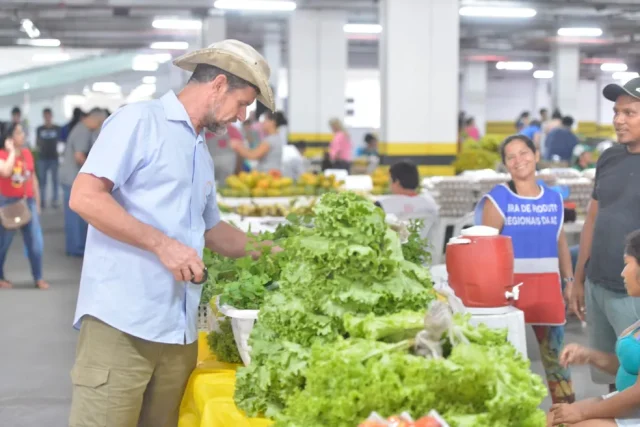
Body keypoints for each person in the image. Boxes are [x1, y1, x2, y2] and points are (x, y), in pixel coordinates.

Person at [68, 39, 277, 427]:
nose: (242, 116)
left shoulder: (199, 148)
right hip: (122, 327)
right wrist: (162, 245)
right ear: (217, 85)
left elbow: (213, 230)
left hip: (178, 336)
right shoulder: (139, 122)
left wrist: (277, 251)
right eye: (243, 102)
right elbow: (84, 198)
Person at [475, 135, 575, 404]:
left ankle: (566, 418)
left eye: (523, 153)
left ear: (536, 154)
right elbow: (485, 251)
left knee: (557, 362)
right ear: (506, 164)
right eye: (511, 156)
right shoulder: (498, 200)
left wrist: (569, 281)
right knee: (508, 363)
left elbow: (560, 241)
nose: (519, 160)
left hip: (548, 294)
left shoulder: (554, 199)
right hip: (508, 296)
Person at [571, 76, 640, 391]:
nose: (618, 120)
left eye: (629, 113)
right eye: (616, 112)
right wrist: (578, 278)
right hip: (598, 284)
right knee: (611, 374)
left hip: (631, 292)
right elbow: (592, 220)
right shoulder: (609, 158)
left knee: (635, 373)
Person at [549, 230, 640, 426]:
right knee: (552, 419)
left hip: (635, 408)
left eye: (627, 265)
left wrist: (582, 412)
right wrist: (589, 356)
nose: (622, 273)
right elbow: (632, 367)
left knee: (572, 423)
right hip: (630, 406)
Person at [0, 123, 48, 290]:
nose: (23, 136)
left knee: (36, 241)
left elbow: (32, 177)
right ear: (9, 137)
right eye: (19, 132)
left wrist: (38, 202)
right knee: (3, 244)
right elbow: (5, 172)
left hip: (28, 201)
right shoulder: (2, 154)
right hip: (7, 202)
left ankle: (38, 277)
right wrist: (12, 151)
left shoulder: (27, 153)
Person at [60, 108, 107, 257]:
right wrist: (95, 171)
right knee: (75, 216)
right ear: (94, 120)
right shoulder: (83, 132)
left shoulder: (80, 128)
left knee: (73, 216)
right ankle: (76, 247)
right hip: (71, 178)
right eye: (99, 123)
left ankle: (73, 246)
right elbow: (79, 156)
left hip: (68, 176)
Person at [36, 108, 62, 209]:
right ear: (43, 117)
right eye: (45, 116)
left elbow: (60, 143)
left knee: (55, 180)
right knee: (43, 181)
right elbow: (37, 142)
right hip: (42, 158)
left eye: (49, 115)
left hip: (54, 158)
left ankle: (55, 200)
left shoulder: (57, 128)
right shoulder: (39, 129)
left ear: (51, 116)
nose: (47, 118)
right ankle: (42, 200)